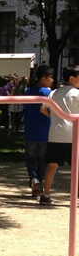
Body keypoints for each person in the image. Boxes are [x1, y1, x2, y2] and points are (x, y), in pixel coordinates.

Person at [38, 65, 79, 206]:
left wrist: (55, 117)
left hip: (56, 133)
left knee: (52, 165)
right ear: (72, 78)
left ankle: (45, 195)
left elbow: (43, 108)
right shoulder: (77, 94)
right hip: (74, 135)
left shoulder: (54, 93)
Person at [23, 65, 54, 197]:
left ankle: (33, 178)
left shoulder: (27, 91)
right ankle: (39, 185)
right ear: (43, 79)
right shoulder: (48, 94)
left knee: (30, 157)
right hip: (44, 131)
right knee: (42, 159)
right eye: (50, 78)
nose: (52, 80)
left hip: (30, 130)